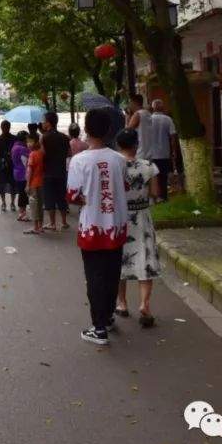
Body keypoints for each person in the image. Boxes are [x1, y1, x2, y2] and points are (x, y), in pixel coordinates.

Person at [66, 107, 129, 345]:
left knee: (94, 276)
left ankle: (99, 327)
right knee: (112, 274)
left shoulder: (79, 161)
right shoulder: (119, 159)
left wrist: (86, 195)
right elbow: (123, 187)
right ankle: (108, 316)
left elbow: (72, 195)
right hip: (115, 227)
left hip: (92, 227)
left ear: (86, 129)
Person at [114, 128, 161, 327]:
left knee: (119, 260)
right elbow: (155, 192)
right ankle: (145, 304)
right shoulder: (149, 166)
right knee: (145, 259)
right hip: (142, 216)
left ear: (118, 145)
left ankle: (122, 303)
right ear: (137, 144)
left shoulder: (115, 166)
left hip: (121, 217)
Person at [40, 111, 71, 231]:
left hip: (48, 172)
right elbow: (69, 153)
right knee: (62, 196)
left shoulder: (44, 137)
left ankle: (52, 223)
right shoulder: (64, 137)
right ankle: (64, 222)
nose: (42, 123)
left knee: (49, 197)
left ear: (48, 123)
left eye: (44, 121)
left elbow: (43, 154)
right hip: (61, 171)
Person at [146, 99, 177, 202]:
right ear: (162, 107)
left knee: (153, 176)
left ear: (153, 107)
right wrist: (173, 151)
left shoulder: (149, 119)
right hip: (164, 153)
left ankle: (154, 197)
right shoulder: (168, 119)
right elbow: (173, 136)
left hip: (151, 154)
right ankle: (163, 197)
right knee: (163, 177)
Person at [0, 120, 16, 211]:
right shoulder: (14, 138)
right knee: (12, 182)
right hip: (11, 162)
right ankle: (12, 203)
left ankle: (3, 203)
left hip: (1, 162)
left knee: (1, 182)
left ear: (1, 127)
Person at [25, 133, 45, 234]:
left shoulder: (32, 154)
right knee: (40, 205)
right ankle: (40, 226)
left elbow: (30, 171)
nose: (28, 144)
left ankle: (35, 227)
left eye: (30, 141)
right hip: (41, 183)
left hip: (33, 184)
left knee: (34, 206)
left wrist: (27, 184)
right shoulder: (41, 153)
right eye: (27, 141)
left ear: (36, 142)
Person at [10, 131, 30, 221]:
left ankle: (22, 212)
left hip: (16, 173)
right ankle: (22, 213)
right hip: (23, 174)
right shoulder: (22, 148)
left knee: (21, 193)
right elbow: (25, 162)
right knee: (23, 194)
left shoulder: (14, 147)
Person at [125, 93, 152, 160]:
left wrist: (127, 117)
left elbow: (126, 133)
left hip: (140, 153)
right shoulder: (148, 113)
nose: (129, 105)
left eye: (130, 102)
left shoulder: (137, 114)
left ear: (134, 102)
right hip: (150, 152)